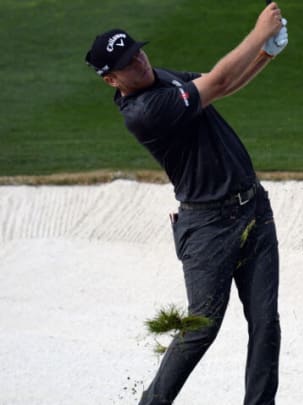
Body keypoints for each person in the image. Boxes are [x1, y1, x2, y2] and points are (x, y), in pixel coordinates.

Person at [85, 3, 288, 404]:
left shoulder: (162, 80)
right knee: (201, 326)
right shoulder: (145, 111)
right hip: (209, 226)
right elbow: (220, 78)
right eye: (127, 63)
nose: (139, 61)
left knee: (266, 323)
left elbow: (222, 86)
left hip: (254, 209)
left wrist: (267, 54)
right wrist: (259, 33)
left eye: (137, 52)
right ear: (111, 79)